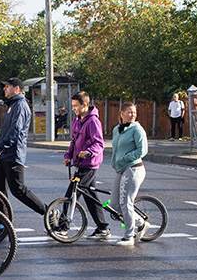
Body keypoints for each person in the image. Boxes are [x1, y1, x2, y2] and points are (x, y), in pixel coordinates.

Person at [0, 78, 48, 221]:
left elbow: (14, 132)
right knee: (0, 191)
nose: (4, 89)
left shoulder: (20, 106)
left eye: (7, 87)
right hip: (5, 155)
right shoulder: (13, 105)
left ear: (17, 89)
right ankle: (1, 224)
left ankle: (48, 212)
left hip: (13, 154)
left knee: (18, 190)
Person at [62, 91, 110, 239]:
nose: (74, 109)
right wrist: (68, 156)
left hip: (90, 163)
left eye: (76, 106)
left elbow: (99, 143)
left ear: (85, 105)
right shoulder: (77, 120)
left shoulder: (93, 121)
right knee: (90, 196)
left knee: (71, 194)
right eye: (73, 106)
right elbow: (74, 141)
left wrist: (88, 152)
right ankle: (103, 227)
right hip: (80, 163)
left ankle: (62, 227)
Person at [110, 103, 148, 246]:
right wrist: (114, 163)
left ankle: (129, 236)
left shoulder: (137, 129)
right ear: (121, 113)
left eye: (134, 112)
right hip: (121, 169)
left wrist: (125, 158)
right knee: (114, 205)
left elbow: (142, 151)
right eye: (129, 112)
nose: (132, 114)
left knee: (126, 202)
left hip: (134, 168)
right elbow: (115, 149)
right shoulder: (116, 130)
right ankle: (140, 222)